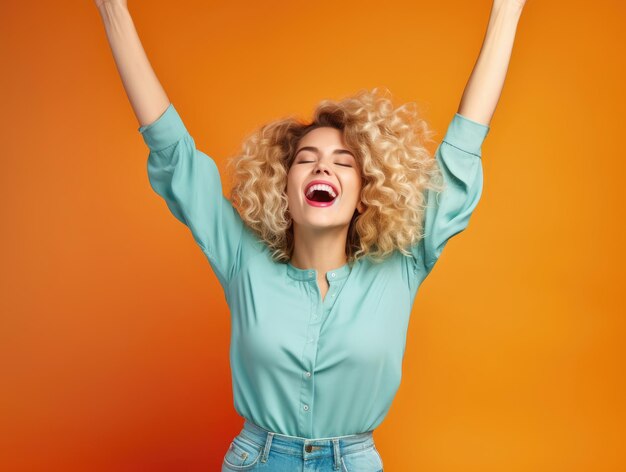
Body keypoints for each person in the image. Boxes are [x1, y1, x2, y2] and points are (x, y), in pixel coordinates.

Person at [95, 0, 526, 470]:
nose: (323, 165)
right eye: (307, 159)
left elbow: (462, 148)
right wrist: (111, 9)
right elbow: (173, 152)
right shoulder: (242, 258)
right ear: (283, 188)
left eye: (344, 163)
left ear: (366, 195)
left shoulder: (403, 263)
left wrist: (507, 10)